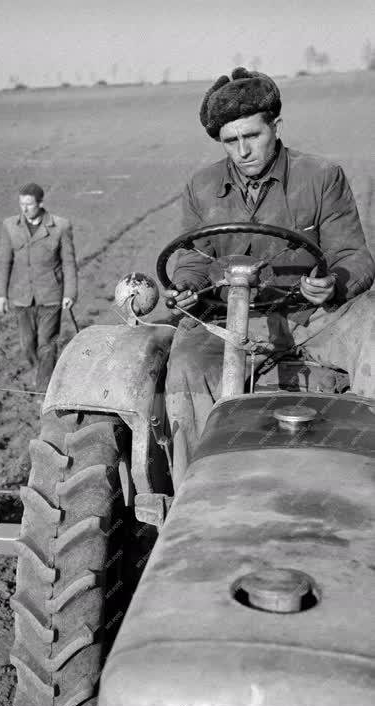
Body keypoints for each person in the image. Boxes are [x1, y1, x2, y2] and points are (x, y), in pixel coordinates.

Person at [165, 67, 375, 489]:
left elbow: (355, 255)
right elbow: (191, 258)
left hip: (314, 317)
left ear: (276, 127)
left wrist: (333, 282)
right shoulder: (201, 187)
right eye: (230, 141)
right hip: (230, 323)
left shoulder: (320, 177)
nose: (242, 150)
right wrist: (186, 289)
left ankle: (364, 481)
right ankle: (195, 492)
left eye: (252, 136)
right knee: (185, 365)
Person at [0, 182, 78, 392]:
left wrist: (70, 293)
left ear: (40, 203)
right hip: (22, 297)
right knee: (27, 345)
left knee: (47, 344)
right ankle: (42, 372)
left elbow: (68, 262)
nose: (24, 209)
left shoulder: (60, 226)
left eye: (29, 204)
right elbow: (4, 261)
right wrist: (1, 294)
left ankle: (44, 389)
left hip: (50, 295)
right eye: (21, 204)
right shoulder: (10, 226)